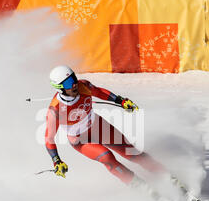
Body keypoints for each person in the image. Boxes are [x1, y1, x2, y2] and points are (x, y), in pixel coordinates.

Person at [44, 65, 166, 194]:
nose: (74, 84)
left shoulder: (83, 85)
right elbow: (49, 138)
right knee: (107, 157)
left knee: (131, 152)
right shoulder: (55, 110)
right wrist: (56, 161)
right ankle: (142, 187)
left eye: (74, 78)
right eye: (69, 82)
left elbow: (99, 92)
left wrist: (121, 101)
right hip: (81, 141)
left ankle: (166, 175)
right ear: (60, 88)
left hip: (98, 126)